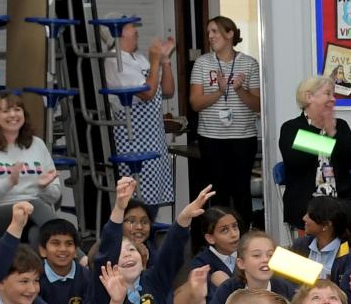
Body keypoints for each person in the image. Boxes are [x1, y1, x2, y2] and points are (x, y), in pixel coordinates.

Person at [186, 16, 262, 224]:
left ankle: (244, 239)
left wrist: (238, 90)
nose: (210, 36)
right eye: (208, 32)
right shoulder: (202, 64)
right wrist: (220, 93)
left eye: (215, 31)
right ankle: (219, 241)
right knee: (218, 193)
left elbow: (257, 105)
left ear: (230, 34)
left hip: (243, 137)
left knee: (241, 192)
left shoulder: (249, 64)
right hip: (211, 138)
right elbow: (195, 103)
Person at [0, 95, 69, 240]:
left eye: (17, 109)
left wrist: (43, 187)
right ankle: (80, 256)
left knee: (36, 234)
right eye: (6, 111)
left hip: (35, 215)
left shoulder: (37, 144)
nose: (13, 115)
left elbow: (54, 196)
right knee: (30, 205)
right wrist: (8, 183)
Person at [106, 22, 177, 210]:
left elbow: (168, 90)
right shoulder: (114, 61)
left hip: (154, 138)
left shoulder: (138, 58)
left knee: (152, 202)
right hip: (133, 140)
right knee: (138, 203)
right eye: (131, 27)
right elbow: (147, 94)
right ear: (118, 33)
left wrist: (164, 61)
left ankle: (148, 238)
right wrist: (154, 62)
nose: (136, 31)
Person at [279, 74, 351, 234]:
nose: (333, 99)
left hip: (342, 198)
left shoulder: (340, 127)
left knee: (350, 212)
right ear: (309, 97)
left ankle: (343, 256)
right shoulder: (291, 128)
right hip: (306, 200)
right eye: (328, 93)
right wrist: (328, 139)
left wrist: (332, 133)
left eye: (334, 94)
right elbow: (296, 162)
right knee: (326, 214)